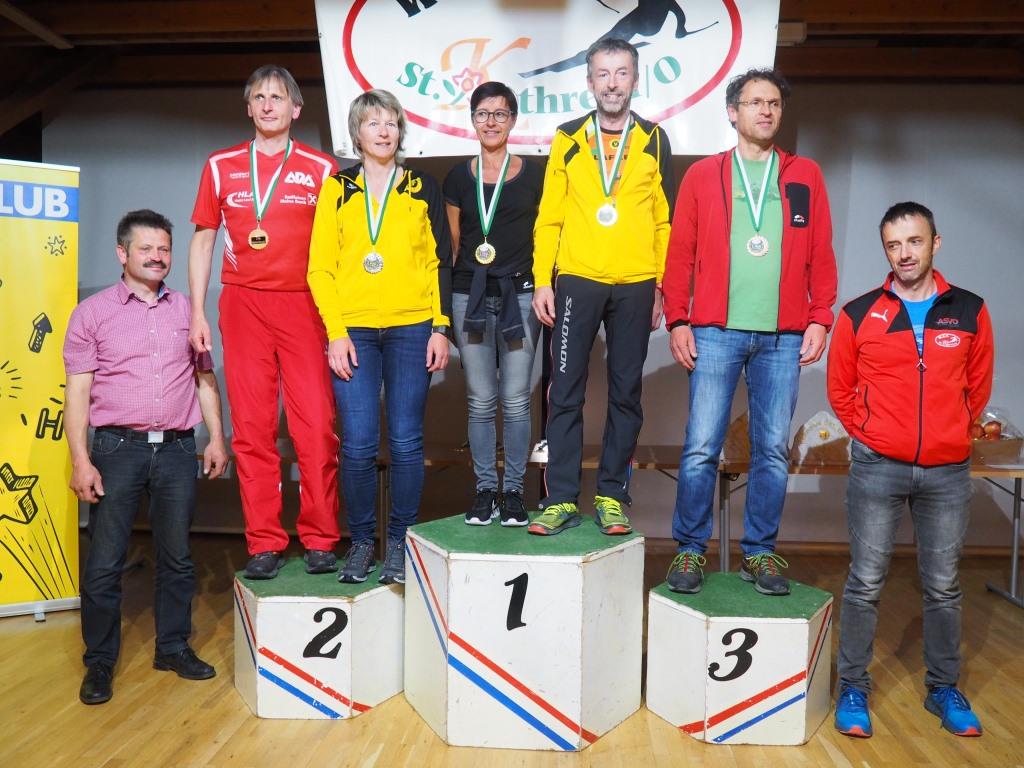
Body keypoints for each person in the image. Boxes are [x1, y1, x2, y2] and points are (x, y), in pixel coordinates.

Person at [662, 68, 837, 595]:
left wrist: (820, 316)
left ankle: (759, 552)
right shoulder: (703, 175)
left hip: (783, 337)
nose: (766, 110)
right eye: (755, 102)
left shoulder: (805, 174)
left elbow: (821, 251)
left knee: (772, 451)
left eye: (774, 103)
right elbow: (680, 253)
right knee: (700, 447)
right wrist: (678, 318)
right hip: (715, 331)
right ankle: (690, 549)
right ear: (732, 112)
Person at [827, 202, 994, 738]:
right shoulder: (858, 313)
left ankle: (943, 688)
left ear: (935, 244)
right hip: (878, 467)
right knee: (865, 581)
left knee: (943, 586)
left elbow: (977, 387)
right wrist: (872, 433)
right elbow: (840, 389)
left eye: (914, 242)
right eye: (894, 245)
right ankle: (853, 687)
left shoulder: (969, 310)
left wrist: (952, 433)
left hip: (947, 473)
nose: (904, 254)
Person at [64, 209, 228, 705]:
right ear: (122, 253)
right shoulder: (92, 314)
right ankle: (100, 662)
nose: (157, 257)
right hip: (116, 450)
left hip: (177, 450)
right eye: (146, 249)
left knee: (178, 558)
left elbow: (204, 378)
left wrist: (216, 439)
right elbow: (78, 392)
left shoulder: (188, 311)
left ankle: (173, 648)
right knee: (105, 562)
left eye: (164, 249)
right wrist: (80, 460)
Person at [188, 65, 341, 580]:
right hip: (243, 304)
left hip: (305, 306)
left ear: (296, 108)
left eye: (278, 97)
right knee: (252, 430)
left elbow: (338, 248)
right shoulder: (221, 165)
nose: (269, 105)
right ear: (249, 107)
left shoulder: (322, 168)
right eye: (259, 97)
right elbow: (203, 240)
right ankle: (264, 542)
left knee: (315, 428)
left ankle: (320, 538)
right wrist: (196, 311)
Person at [530, 37, 673, 536]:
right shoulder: (568, 138)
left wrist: (660, 286)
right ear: (589, 81)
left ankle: (612, 496)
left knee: (626, 393)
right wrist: (544, 280)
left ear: (635, 79)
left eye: (622, 73)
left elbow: (662, 222)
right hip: (577, 280)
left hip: (636, 283)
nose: (613, 84)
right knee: (565, 391)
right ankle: (561, 499)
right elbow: (549, 217)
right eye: (603, 74)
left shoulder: (654, 139)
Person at [308, 89, 452, 584]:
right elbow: (320, 268)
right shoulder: (337, 188)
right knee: (358, 444)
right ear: (357, 133)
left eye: (391, 122)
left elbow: (438, 262)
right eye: (373, 123)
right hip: (354, 333)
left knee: (407, 441)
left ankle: (400, 544)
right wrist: (336, 332)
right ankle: (362, 543)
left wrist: (440, 326)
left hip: (413, 327)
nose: (384, 131)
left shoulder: (421, 187)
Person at [443, 81, 544, 527]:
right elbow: (452, 246)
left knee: (516, 399)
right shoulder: (457, 178)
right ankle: (486, 490)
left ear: (513, 120)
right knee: (481, 400)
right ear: (472, 120)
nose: (491, 122)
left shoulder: (534, 176)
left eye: (500, 114)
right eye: (483, 114)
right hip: (470, 295)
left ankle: (514, 492)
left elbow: (544, 237)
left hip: (520, 295)